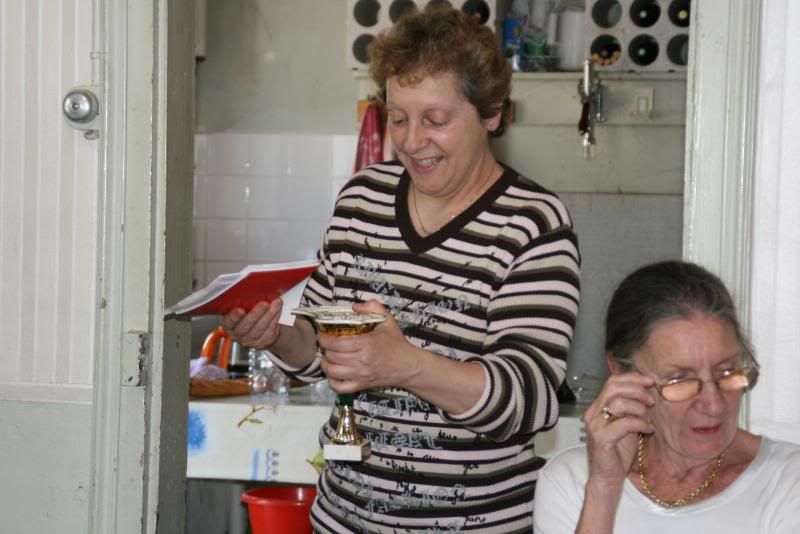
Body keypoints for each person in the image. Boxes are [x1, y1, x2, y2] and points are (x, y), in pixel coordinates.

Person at [222, 5, 580, 532]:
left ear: (491, 114)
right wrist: (274, 334)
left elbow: (530, 399)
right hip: (342, 519)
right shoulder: (361, 199)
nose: (412, 141)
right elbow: (318, 350)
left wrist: (406, 365)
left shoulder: (532, 223)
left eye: (436, 119)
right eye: (399, 118)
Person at [534, 260, 800, 533]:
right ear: (621, 374)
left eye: (727, 371)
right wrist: (604, 488)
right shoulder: (572, 481)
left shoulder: (787, 481)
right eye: (680, 378)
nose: (713, 405)